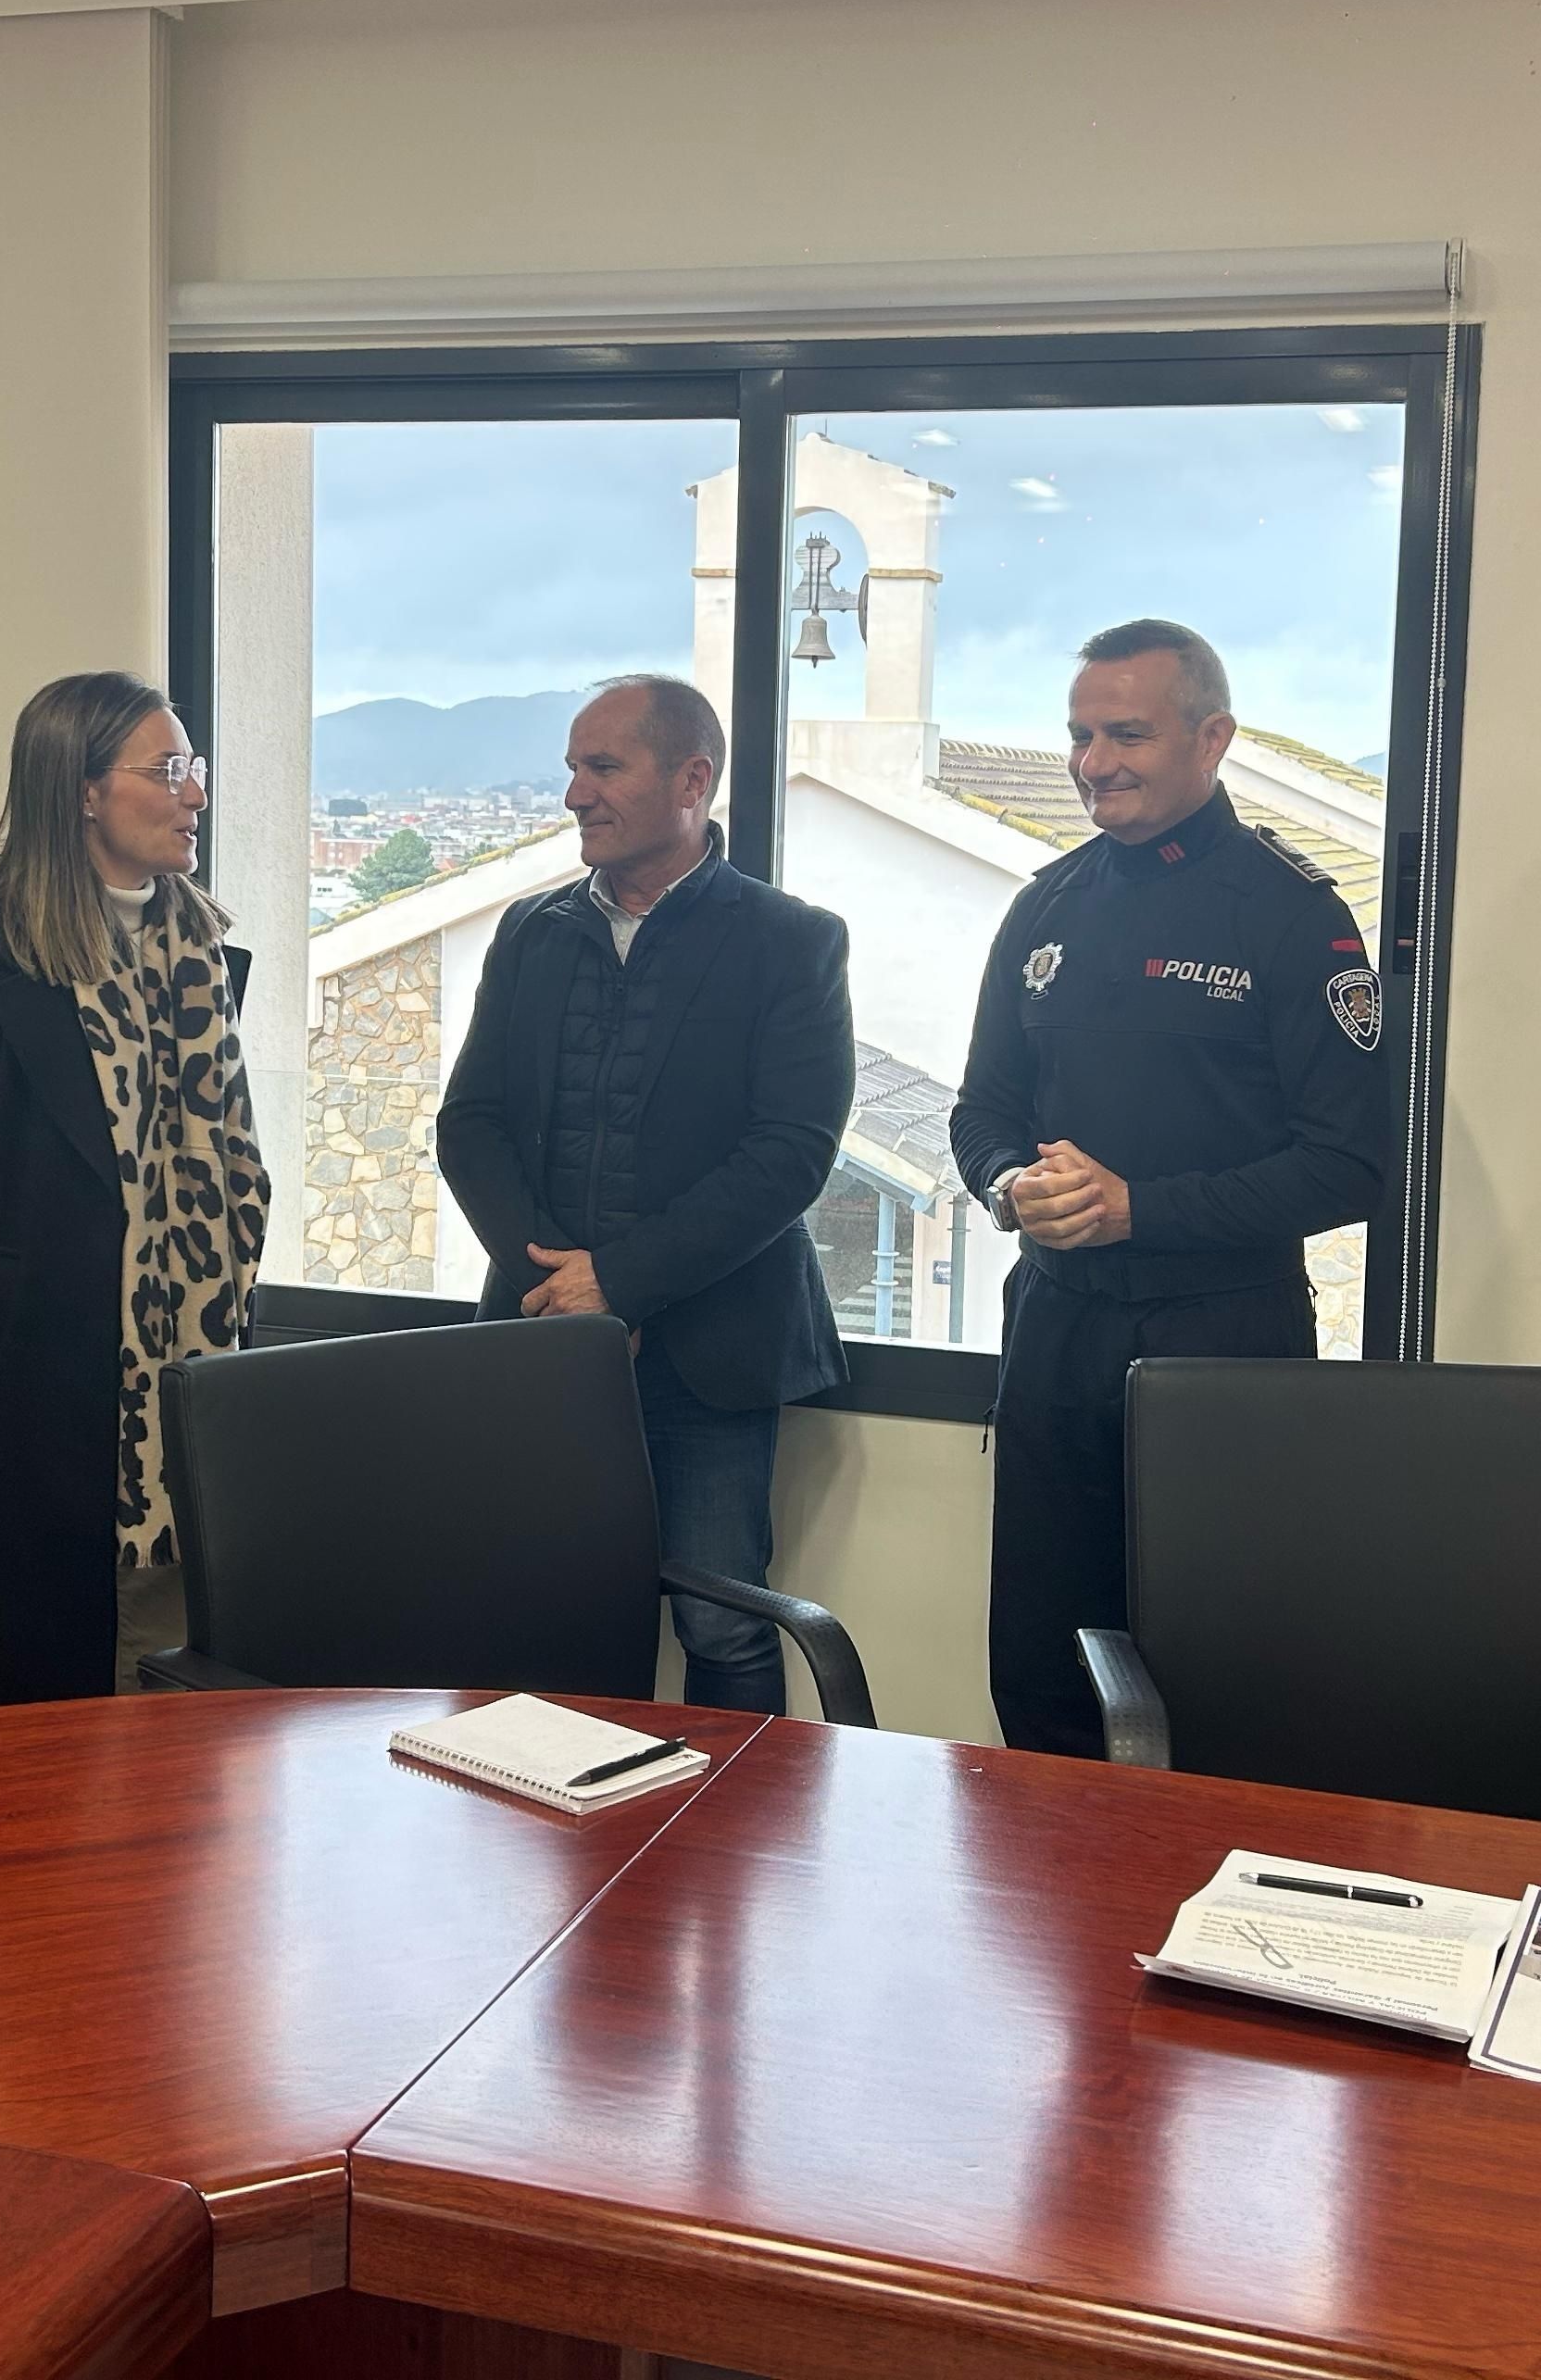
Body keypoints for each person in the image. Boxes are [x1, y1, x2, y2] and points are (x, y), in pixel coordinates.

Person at [950, 620, 1393, 1760]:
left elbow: (1352, 1164)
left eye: (1127, 735)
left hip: (1222, 1342)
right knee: (1042, 1667)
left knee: (1218, 1680)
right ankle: (1050, 1874)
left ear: (1212, 738)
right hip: (1056, 1331)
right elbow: (980, 1112)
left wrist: (1141, 1210)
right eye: (1081, 736)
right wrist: (1007, 1188)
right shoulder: (1046, 904)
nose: (1094, 763)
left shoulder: (1292, 913)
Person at [434, 676, 852, 1714]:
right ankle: (551, 1822)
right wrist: (559, 1290)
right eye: (573, 768)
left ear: (691, 780)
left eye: (603, 767)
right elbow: (471, 1125)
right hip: (542, 1343)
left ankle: (729, 1826)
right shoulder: (530, 932)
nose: (575, 793)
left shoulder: (790, 941)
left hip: (712, 1356)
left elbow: (790, 1154)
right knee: (542, 1612)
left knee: (723, 1622)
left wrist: (617, 1285)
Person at [0, 672, 269, 1710]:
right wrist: (7, 1292)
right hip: (29, 1396)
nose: (193, 793)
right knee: (30, 1711)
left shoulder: (200, 964)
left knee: (174, 1696)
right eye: (165, 770)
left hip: (193, 1384)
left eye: (193, 767)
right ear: (83, 791)